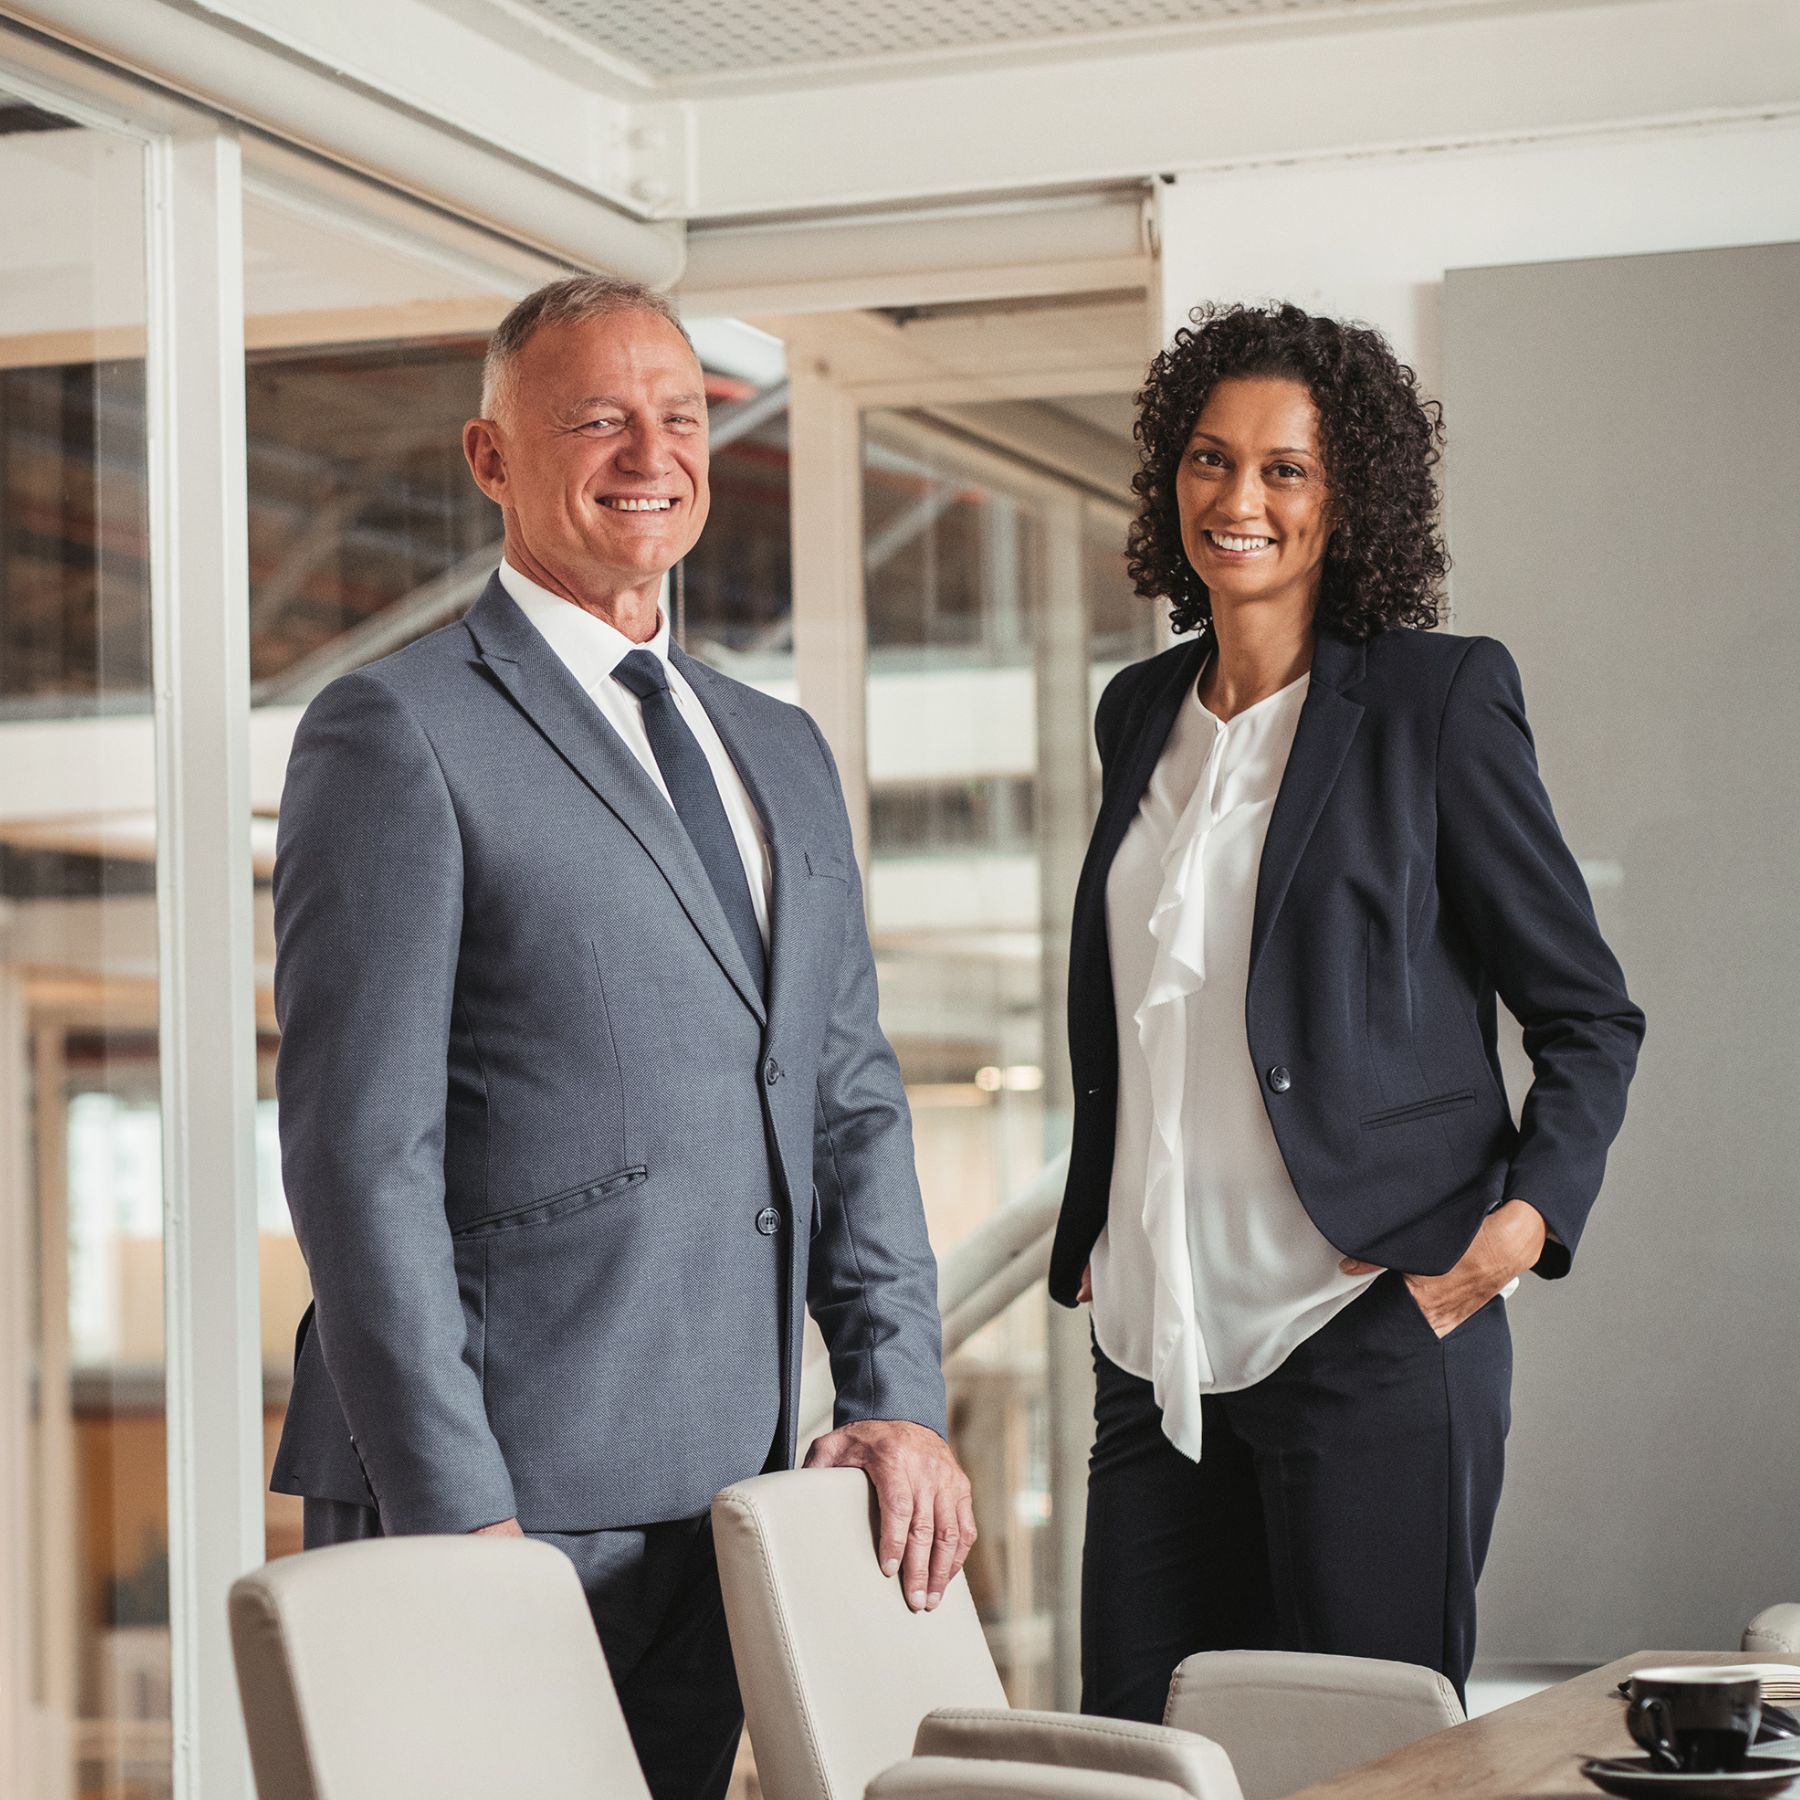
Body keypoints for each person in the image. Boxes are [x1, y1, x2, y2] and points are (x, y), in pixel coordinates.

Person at [270, 275, 975, 1800]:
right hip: (494, 1490)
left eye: (678, 415)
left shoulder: (777, 747)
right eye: (595, 418)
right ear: (491, 457)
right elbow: (355, 1155)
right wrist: (456, 1511)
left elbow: (848, 1100)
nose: (646, 451)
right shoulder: (394, 730)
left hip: (730, 1491)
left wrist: (896, 1397)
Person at [1049, 301, 1643, 1718]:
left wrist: (1520, 1227)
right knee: (1144, 1758)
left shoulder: (1438, 701)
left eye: (1286, 469)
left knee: (1360, 1767)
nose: (1237, 498)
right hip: (1154, 1351)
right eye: (1209, 459)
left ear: (1349, 492)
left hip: (1364, 1333)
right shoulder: (1136, 713)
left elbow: (1586, 1010)